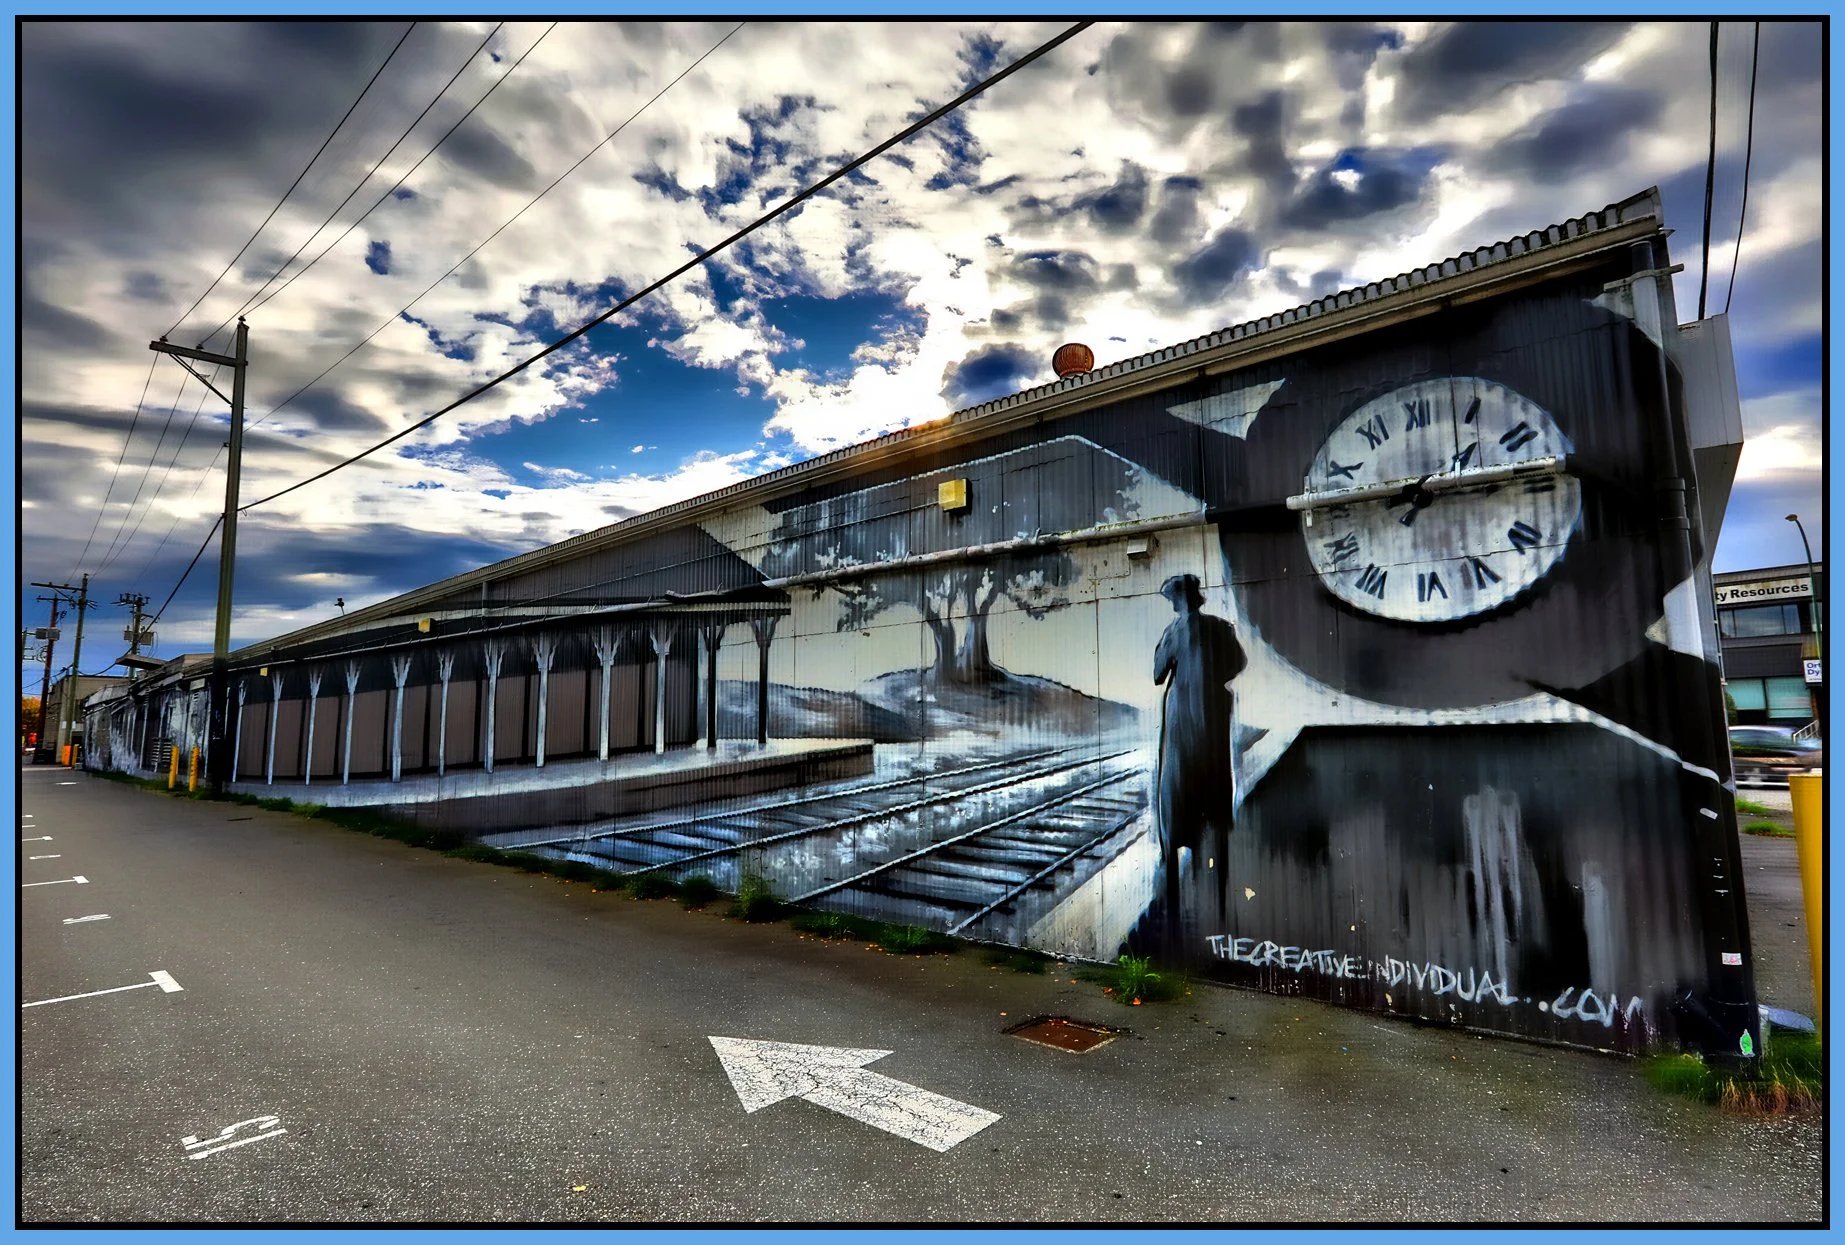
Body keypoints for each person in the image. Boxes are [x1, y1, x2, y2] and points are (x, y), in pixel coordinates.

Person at [1153, 573, 1245, 939]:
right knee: (1216, 806)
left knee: (1174, 800)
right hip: (1212, 732)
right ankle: (1220, 901)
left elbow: (1158, 673)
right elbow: (1239, 662)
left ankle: (1174, 904)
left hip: (1182, 732)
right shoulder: (1221, 628)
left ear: (1178, 600)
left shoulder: (1174, 632)